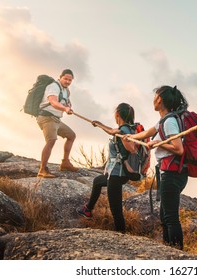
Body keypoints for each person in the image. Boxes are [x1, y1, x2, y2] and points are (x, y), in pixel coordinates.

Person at [126, 85, 188, 249]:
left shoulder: (169, 122)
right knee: (164, 216)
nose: (153, 100)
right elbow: (147, 133)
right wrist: (130, 136)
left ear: (159, 98)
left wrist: (158, 143)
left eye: (155, 96)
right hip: (168, 172)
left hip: (173, 174)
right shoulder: (163, 120)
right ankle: (169, 251)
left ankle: (176, 254)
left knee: (170, 217)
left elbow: (179, 148)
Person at [76, 103, 136, 233]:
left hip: (117, 174)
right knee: (98, 181)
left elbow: (131, 148)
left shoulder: (125, 130)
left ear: (117, 114)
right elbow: (112, 130)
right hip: (117, 173)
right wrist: (99, 124)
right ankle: (88, 209)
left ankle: (121, 237)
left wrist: (123, 137)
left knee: (116, 210)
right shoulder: (128, 128)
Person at [36, 69, 79, 178]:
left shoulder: (66, 90)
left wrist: (69, 108)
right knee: (51, 140)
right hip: (46, 117)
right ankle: (42, 170)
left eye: (70, 80)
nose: (67, 81)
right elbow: (53, 102)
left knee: (71, 135)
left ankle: (65, 163)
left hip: (56, 119)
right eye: (65, 79)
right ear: (60, 77)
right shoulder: (54, 86)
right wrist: (65, 109)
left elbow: (66, 103)